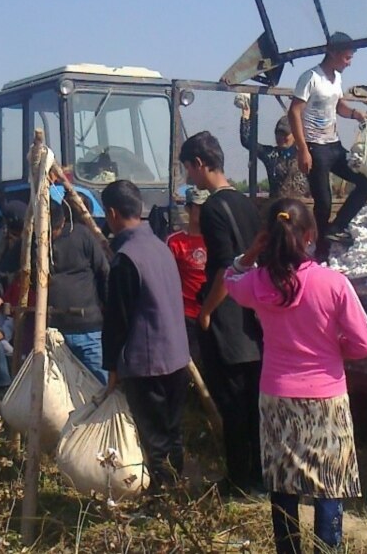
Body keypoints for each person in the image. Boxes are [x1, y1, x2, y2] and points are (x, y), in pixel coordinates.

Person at [224, 199, 367, 554]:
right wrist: (336, 348)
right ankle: (329, 548)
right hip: (326, 396)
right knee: (329, 480)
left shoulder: (258, 283)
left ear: (269, 236)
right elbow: (365, 343)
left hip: (276, 395)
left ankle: (287, 548)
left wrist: (249, 254)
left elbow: (229, 280)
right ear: (310, 236)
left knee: (282, 481)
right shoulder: (332, 283)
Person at [179, 131, 265, 495]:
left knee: (232, 404)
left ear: (200, 164)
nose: (188, 178)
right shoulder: (248, 204)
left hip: (226, 318)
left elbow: (223, 270)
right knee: (254, 403)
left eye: (188, 170)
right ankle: (260, 477)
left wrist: (206, 313)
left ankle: (239, 481)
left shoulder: (214, 207)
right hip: (254, 316)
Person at [101, 180, 191, 489]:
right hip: (177, 357)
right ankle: (176, 489)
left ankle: (162, 500)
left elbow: (118, 320)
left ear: (112, 213)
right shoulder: (160, 246)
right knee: (173, 430)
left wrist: (112, 366)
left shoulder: (126, 257)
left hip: (147, 362)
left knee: (154, 438)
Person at [0, 192, 110, 384]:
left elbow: (104, 274)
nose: (50, 236)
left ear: (63, 223)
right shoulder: (28, 243)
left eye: (55, 230)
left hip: (87, 329)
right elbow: (2, 273)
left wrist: (109, 311)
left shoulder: (82, 236)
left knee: (98, 381)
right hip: (50, 331)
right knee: (56, 388)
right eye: (45, 231)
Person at [288, 31, 367, 254]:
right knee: (324, 202)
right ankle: (321, 252)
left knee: (366, 183)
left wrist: (355, 114)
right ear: (333, 53)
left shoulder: (336, 78)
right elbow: (294, 112)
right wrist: (302, 149)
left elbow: (339, 106)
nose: (349, 63)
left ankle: (337, 226)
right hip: (315, 147)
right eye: (346, 58)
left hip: (334, 145)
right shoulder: (310, 77)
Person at [237, 93, 310, 199]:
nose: (281, 138)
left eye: (285, 134)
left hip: (303, 206)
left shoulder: (305, 154)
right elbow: (247, 141)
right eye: (278, 133)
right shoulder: (271, 155)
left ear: (295, 134)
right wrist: (246, 113)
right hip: (278, 206)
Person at [166, 187, 208, 367]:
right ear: (189, 209)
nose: (202, 212)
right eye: (198, 207)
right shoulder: (175, 242)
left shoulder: (217, 240)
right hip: (186, 315)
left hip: (212, 311)